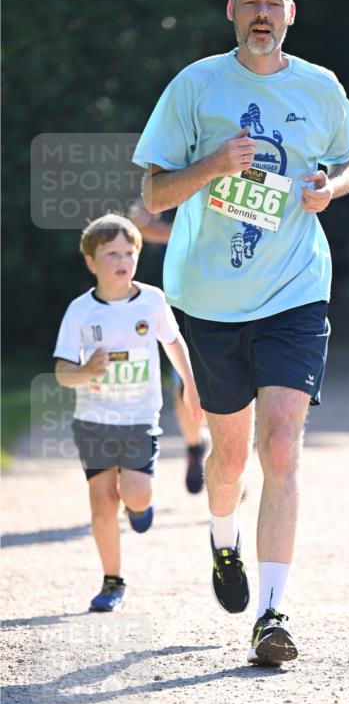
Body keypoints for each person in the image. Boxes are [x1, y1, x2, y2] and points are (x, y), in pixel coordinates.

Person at [133, 0, 349, 666]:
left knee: (283, 446)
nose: (262, 14)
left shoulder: (320, 87)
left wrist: (333, 186)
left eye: (274, 3)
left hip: (295, 289)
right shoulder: (195, 86)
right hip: (208, 297)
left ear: (290, 13)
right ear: (231, 10)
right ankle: (222, 540)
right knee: (229, 458)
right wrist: (212, 166)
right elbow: (152, 196)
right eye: (250, 2)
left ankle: (272, 613)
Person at [53, 213, 201, 612]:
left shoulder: (152, 300)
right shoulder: (80, 311)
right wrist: (86, 371)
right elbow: (63, 373)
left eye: (129, 252)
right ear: (91, 261)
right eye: (111, 253)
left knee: (135, 493)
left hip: (139, 418)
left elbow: (174, 344)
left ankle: (140, 507)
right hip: (94, 422)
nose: (122, 260)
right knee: (102, 502)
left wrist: (190, 385)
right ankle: (112, 581)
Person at [128, 199, 208, 494]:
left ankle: (228, 459)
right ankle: (195, 446)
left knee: (237, 387)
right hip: (182, 299)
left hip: (235, 296)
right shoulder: (174, 169)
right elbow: (140, 224)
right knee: (185, 384)